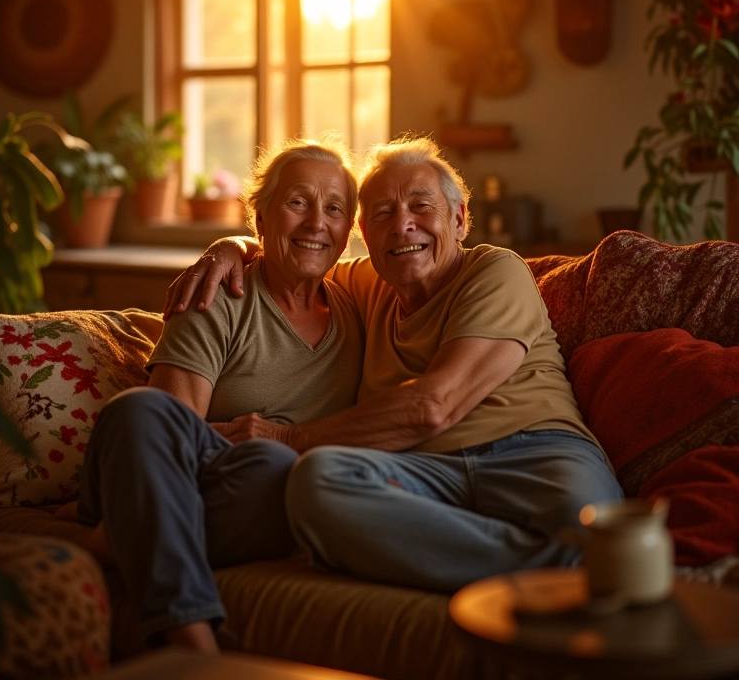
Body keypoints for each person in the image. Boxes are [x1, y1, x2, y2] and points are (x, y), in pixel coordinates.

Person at [166, 135, 624, 594]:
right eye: (383, 213)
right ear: (363, 234)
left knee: (589, 522)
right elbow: (299, 249)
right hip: (422, 475)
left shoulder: (495, 271)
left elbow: (434, 406)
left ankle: (556, 563)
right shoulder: (362, 285)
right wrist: (230, 247)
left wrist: (288, 438)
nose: (403, 225)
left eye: (421, 206)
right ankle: (563, 569)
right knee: (316, 482)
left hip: (536, 453)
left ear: (459, 219)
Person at [58, 135, 364, 654]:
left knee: (281, 469)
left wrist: (273, 443)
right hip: (173, 469)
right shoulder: (218, 296)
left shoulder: (362, 301)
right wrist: (231, 249)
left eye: (334, 209)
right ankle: (192, 638)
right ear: (260, 218)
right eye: (297, 202)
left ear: (349, 229)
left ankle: (114, 538)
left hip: (253, 490)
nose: (317, 222)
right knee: (141, 408)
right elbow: (168, 429)